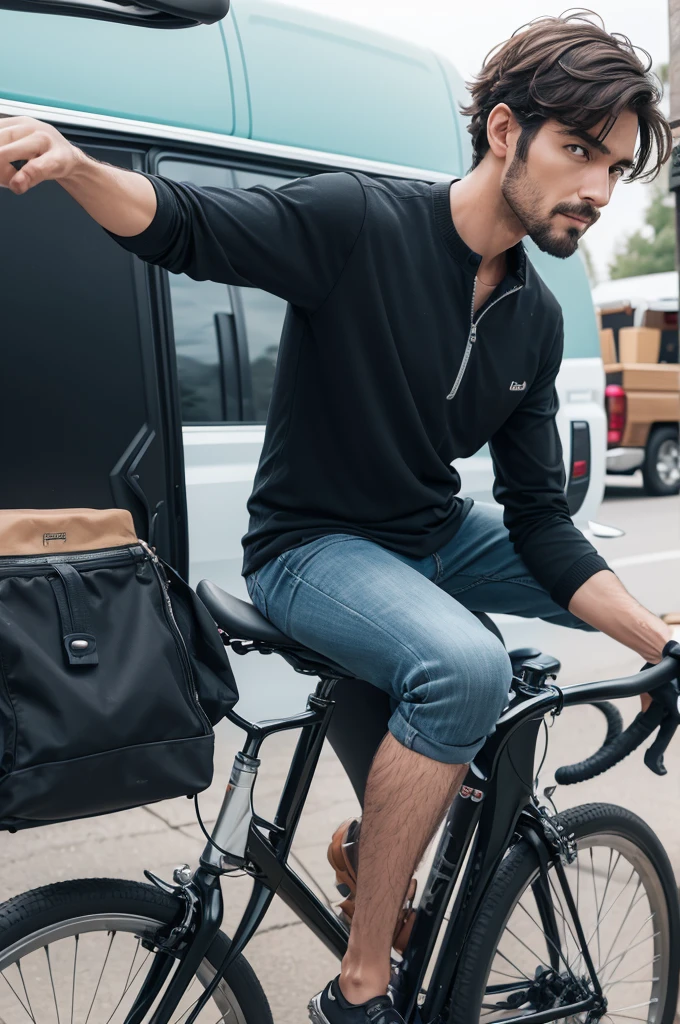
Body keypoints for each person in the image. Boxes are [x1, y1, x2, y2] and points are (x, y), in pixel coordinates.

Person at [0, 10, 674, 1023]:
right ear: (503, 132)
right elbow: (188, 222)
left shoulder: (531, 315)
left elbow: (538, 519)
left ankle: (389, 836)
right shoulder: (362, 224)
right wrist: (73, 164)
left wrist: (656, 638)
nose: (594, 187)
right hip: (309, 545)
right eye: (578, 150)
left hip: (433, 535)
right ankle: (361, 988)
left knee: (606, 610)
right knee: (464, 667)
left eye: (614, 167)